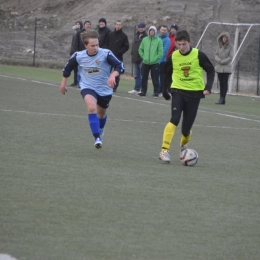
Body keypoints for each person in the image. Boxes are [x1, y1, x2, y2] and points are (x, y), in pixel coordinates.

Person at [59, 29, 125, 149]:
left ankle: (100, 128)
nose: (96, 47)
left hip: (105, 89)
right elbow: (67, 69)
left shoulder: (106, 54)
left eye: (97, 44)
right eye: (92, 45)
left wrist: (112, 75)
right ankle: (97, 138)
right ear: (85, 45)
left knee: (101, 115)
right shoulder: (78, 56)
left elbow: (120, 66)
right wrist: (63, 84)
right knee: (91, 107)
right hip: (87, 87)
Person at [159, 30, 215, 163]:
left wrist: (208, 87)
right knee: (175, 119)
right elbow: (165, 72)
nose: (181, 47)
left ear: (189, 42)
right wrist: (165, 90)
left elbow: (211, 70)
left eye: (184, 44)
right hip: (178, 91)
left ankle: (183, 145)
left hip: (194, 94)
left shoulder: (198, 55)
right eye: (178, 44)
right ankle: (164, 151)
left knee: (186, 130)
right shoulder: (174, 56)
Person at [137, 25, 163, 98]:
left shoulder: (158, 40)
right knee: (144, 77)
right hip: (145, 62)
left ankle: (156, 92)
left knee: (155, 78)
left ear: (155, 32)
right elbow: (140, 49)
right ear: (149, 31)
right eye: (150, 31)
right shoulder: (145, 39)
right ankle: (143, 91)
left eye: (153, 31)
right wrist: (143, 57)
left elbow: (160, 52)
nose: (152, 32)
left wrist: (155, 59)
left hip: (155, 63)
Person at [107, 20, 129, 92]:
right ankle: (106, 85)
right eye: (117, 24)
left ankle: (114, 87)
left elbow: (126, 46)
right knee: (107, 71)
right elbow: (107, 44)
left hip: (118, 57)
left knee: (116, 73)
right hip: (109, 57)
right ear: (115, 25)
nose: (118, 26)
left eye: (119, 24)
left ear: (121, 26)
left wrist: (119, 52)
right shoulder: (111, 34)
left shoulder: (124, 36)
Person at [214, 32, 234, 105]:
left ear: (227, 39)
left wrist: (223, 61)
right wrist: (219, 60)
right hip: (219, 67)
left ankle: (223, 98)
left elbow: (230, 57)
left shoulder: (231, 46)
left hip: (226, 68)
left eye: (225, 38)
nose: (224, 39)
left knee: (224, 83)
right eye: (223, 38)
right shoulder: (219, 46)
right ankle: (220, 98)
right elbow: (216, 55)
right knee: (221, 83)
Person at [128, 23, 147, 94]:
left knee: (142, 74)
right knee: (136, 74)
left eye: (142, 27)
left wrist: (142, 56)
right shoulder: (136, 35)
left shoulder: (146, 37)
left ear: (144, 28)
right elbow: (134, 46)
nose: (140, 28)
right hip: (135, 57)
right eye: (139, 27)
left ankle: (142, 89)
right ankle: (136, 88)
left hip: (142, 58)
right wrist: (132, 54)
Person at [157, 25, 170, 96]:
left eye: (164, 30)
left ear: (166, 31)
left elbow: (164, 52)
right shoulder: (156, 37)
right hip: (154, 60)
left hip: (161, 62)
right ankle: (156, 90)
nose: (163, 31)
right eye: (162, 29)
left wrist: (159, 60)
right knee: (155, 76)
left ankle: (160, 91)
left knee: (160, 76)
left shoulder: (167, 40)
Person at [69, 20, 83, 86]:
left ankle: (79, 82)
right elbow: (73, 44)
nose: (77, 25)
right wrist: (71, 51)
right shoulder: (74, 34)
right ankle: (75, 81)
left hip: (79, 53)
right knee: (75, 68)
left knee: (79, 69)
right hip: (74, 52)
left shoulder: (81, 33)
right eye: (76, 24)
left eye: (79, 24)